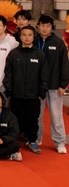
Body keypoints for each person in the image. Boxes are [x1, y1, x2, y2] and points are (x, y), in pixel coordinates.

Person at [3, 25, 49, 154]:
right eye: (24, 35)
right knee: (16, 119)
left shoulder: (40, 54)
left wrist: (42, 91)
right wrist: (9, 90)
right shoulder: (14, 54)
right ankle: (14, 143)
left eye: (29, 35)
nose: (27, 37)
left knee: (33, 120)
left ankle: (32, 141)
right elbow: (8, 73)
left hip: (33, 95)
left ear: (34, 37)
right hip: (16, 94)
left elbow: (44, 75)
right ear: (20, 37)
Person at [35, 15, 69, 153]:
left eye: (48, 26)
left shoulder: (58, 43)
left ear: (52, 27)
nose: (45, 28)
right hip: (37, 85)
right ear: (38, 26)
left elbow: (64, 64)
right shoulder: (34, 40)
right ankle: (37, 138)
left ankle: (59, 142)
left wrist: (63, 84)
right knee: (37, 114)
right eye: (42, 25)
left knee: (56, 114)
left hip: (54, 85)